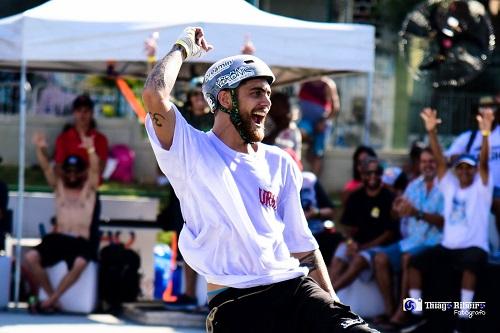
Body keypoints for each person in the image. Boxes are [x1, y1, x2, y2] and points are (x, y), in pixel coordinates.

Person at [143, 26, 378, 332]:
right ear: (225, 99)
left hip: (294, 289)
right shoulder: (192, 150)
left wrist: (335, 312)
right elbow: (153, 94)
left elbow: (303, 247)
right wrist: (183, 47)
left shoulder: (279, 161)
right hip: (236, 302)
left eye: (268, 94)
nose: (267, 103)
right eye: (256, 93)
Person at [406, 107, 494, 332]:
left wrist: (485, 135)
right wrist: (432, 132)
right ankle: (416, 313)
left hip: (474, 247)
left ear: (474, 171)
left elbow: (484, 163)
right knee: (415, 263)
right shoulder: (449, 185)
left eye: (469, 168)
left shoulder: (482, 189)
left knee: (471, 264)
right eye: (461, 167)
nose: (464, 171)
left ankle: (463, 320)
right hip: (447, 247)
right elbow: (439, 160)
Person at [25, 132, 99, 312]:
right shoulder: (59, 188)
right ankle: (53, 299)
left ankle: (51, 300)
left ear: (82, 172)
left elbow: (95, 170)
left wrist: (90, 149)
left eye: (76, 171)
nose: (72, 175)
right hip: (59, 237)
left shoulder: (88, 191)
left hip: (80, 239)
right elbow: (46, 168)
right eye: (69, 171)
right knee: (31, 257)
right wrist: (40, 148)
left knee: (81, 263)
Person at [372, 147, 444, 328]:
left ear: (439, 163)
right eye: (424, 161)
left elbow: (445, 222)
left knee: (407, 259)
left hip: (435, 243)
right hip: (410, 241)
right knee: (380, 258)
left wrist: (417, 213)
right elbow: (397, 214)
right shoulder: (414, 185)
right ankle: (390, 311)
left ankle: (404, 313)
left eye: (431, 161)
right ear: (419, 164)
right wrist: (396, 209)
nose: (427, 165)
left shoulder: (445, 186)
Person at [329, 157, 398, 292]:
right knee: (339, 256)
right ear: (362, 175)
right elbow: (345, 226)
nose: (373, 176)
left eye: (377, 172)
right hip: (357, 245)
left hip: (380, 248)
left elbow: (389, 233)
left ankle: (329, 296)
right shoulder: (356, 197)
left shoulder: (389, 197)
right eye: (368, 173)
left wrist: (363, 247)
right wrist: (350, 242)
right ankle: (326, 293)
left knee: (359, 259)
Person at [445, 95, 500, 237]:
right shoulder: (469, 137)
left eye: (491, 107)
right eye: (483, 108)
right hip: (475, 188)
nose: (487, 111)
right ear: (478, 113)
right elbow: (451, 157)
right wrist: (468, 159)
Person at [54, 94, 108, 178]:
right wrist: (72, 178)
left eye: (86, 111)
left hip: (90, 184)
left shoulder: (100, 139)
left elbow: (101, 168)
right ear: (74, 113)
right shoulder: (63, 138)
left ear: (92, 113)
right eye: (79, 110)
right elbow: (58, 166)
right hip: (69, 183)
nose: (82, 114)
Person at [297, 76, 340, 175]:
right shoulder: (304, 81)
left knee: (318, 153)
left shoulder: (328, 84)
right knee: (299, 134)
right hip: (306, 120)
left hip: (321, 123)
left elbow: (335, 107)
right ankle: (311, 142)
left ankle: (314, 181)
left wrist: (323, 121)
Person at [263, 92, 302, 160]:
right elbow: (262, 146)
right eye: (279, 106)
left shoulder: (292, 128)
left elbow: (297, 156)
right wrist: (279, 130)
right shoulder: (264, 122)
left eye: (286, 106)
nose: (285, 110)